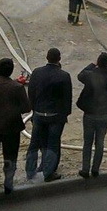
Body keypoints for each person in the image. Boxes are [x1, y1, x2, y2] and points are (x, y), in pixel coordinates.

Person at [0, 58, 30, 194]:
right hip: (11, 127)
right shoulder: (17, 87)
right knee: (10, 157)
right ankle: (8, 184)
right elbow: (26, 107)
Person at [25, 48, 72, 182]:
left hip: (39, 114)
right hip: (55, 116)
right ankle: (48, 172)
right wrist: (64, 115)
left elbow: (31, 93)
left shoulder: (37, 72)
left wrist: (34, 110)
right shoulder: (64, 75)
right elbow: (67, 98)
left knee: (34, 143)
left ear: (46, 57)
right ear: (59, 59)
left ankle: (30, 171)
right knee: (52, 144)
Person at [76, 52, 107, 178]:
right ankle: (95, 169)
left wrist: (93, 64)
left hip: (90, 113)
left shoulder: (91, 75)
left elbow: (80, 75)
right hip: (104, 114)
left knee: (87, 143)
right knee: (100, 143)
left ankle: (85, 169)